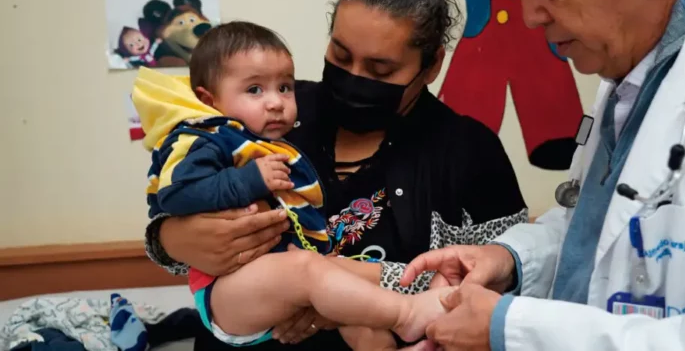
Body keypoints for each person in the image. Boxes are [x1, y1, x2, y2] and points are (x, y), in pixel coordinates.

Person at [400, 0, 685, 349]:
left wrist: (510, 329)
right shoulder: (634, 70)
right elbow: (606, 232)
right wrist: (510, 259)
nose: (530, 16)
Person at [143, 0, 530, 351]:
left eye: (381, 69)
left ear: (431, 65)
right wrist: (171, 239)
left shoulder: (470, 152)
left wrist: (342, 290)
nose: (354, 78)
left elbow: (497, 284)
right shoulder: (270, 114)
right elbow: (181, 195)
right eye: (340, 55)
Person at [133, 22, 451, 349]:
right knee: (308, 269)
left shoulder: (269, 139)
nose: (275, 102)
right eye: (254, 90)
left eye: (285, 87)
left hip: (281, 276)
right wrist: (249, 180)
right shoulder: (203, 138)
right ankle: (406, 314)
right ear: (209, 100)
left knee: (356, 309)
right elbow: (175, 194)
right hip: (226, 288)